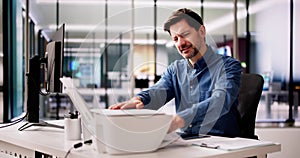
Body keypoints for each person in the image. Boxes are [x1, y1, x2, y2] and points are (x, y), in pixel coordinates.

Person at [109, 8, 242, 137]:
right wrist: (138, 100)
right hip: (187, 141)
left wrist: (180, 120)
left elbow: (220, 101)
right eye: (175, 39)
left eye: (185, 35)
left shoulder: (228, 66)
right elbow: (159, 90)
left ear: (201, 31)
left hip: (221, 143)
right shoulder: (175, 69)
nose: (181, 43)